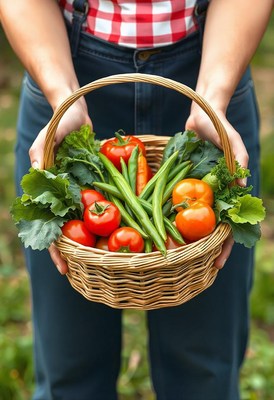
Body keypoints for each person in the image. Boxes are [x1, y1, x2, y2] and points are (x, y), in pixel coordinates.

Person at [0, 1, 273, 399]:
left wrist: (213, 96)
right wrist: (64, 97)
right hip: (65, 73)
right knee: (70, 374)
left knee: (205, 375)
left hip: (212, 71)